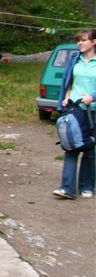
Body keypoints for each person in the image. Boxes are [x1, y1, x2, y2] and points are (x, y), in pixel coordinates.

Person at [52, 29, 96, 200]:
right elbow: (70, 81)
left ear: (94, 42)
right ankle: (67, 188)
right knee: (70, 145)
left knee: (89, 148)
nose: (79, 43)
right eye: (78, 40)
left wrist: (92, 96)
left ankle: (87, 186)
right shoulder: (75, 59)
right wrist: (67, 96)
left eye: (83, 40)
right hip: (75, 108)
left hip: (93, 110)